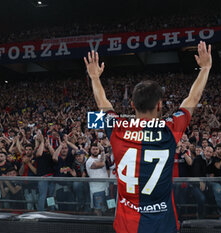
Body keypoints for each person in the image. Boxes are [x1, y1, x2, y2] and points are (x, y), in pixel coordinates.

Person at [84, 40, 212, 233]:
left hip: (127, 225)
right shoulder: (170, 129)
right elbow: (192, 99)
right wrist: (205, 68)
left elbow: (103, 102)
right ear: (160, 105)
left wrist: (94, 77)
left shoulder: (117, 127)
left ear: (132, 106)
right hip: (163, 224)